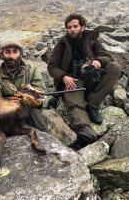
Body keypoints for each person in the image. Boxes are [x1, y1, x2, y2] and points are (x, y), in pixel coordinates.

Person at [47, 13, 122, 147]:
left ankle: (93, 105)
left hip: (90, 76)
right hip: (72, 80)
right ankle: (85, 130)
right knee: (74, 103)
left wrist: (98, 61)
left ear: (82, 27)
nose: (72, 29)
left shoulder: (92, 40)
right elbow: (52, 66)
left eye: (75, 26)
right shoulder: (61, 44)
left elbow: (106, 56)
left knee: (115, 67)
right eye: (69, 27)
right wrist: (63, 77)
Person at [0, 40, 48, 131]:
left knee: (39, 124)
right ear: (2, 55)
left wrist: (37, 101)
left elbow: (42, 92)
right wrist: (12, 103)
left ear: (21, 54)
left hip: (27, 108)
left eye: (15, 51)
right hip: (5, 111)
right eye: (8, 52)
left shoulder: (32, 70)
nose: (11, 56)